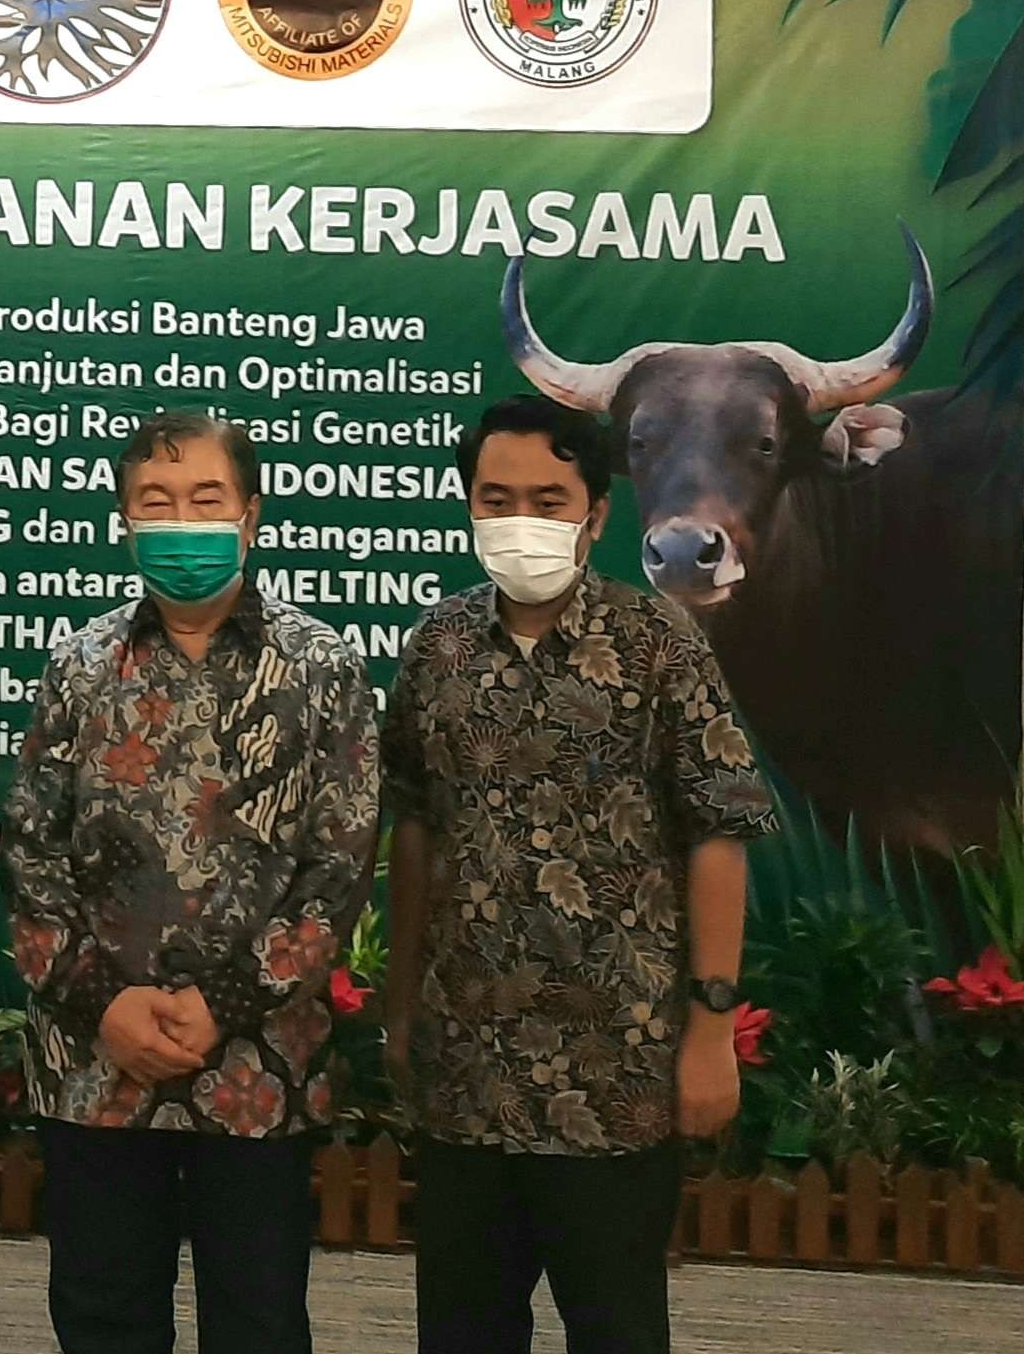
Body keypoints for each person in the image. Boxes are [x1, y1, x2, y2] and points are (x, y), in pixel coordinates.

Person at [383, 394, 775, 1354]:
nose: (523, 518)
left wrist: (711, 1029)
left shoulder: (658, 647)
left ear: (597, 514)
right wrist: (400, 1010)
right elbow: (415, 832)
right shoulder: (435, 647)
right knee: (462, 1334)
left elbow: (719, 834)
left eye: (549, 499)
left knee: (617, 1330)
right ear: (469, 505)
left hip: (616, 1071)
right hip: (465, 1073)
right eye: (497, 495)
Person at [0, 411, 379, 1354]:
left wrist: (224, 1003)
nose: (182, 520)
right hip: (97, 1062)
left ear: (250, 515)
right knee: (102, 1318)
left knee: (257, 1324)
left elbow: (337, 872)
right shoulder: (78, 667)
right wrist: (106, 1003)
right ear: (123, 519)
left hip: (258, 1064)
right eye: (155, 501)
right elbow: (28, 856)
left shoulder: (323, 669)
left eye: (206, 499)